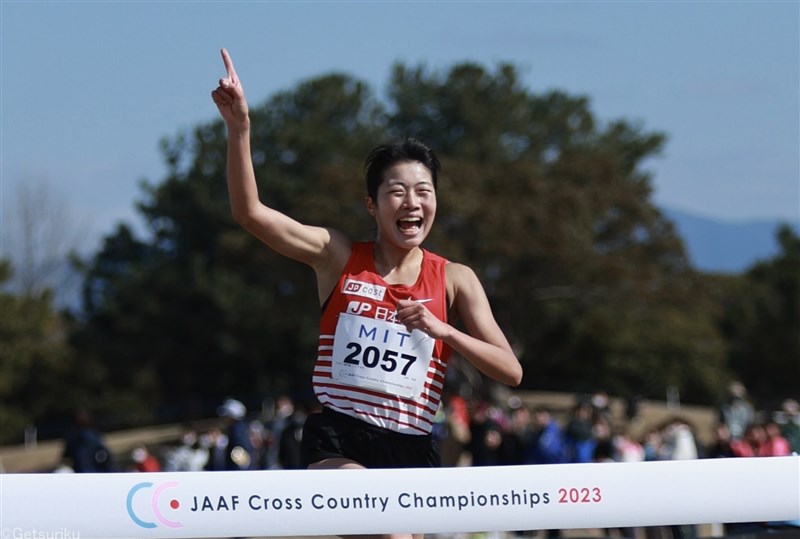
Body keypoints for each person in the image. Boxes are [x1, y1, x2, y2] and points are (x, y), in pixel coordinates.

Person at [212, 48, 521, 535]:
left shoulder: (456, 278)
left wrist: (446, 332)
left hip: (413, 447)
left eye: (424, 190)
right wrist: (240, 129)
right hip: (338, 441)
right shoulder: (336, 255)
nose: (412, 202)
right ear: (372, 206)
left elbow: (511, 370)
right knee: (387, 529)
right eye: (396, 191)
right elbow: (251, 214)